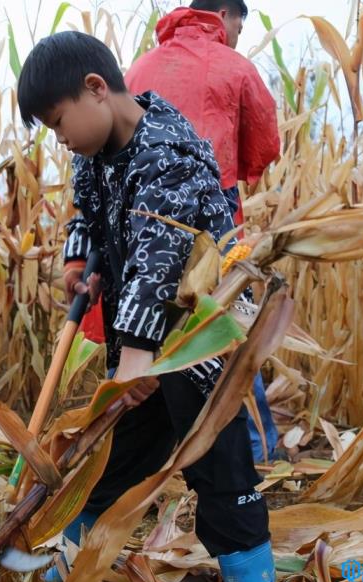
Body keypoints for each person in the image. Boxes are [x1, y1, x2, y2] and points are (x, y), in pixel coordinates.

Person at [17, 30, 276, 582]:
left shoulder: (166, 152)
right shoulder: (100, 149)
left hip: (198, 339)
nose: (60, 140)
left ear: (96, 89)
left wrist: (135, 360)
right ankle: (65, 559)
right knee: (115, 454)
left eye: (59, 123)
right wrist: (79, 257)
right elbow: (88, 206)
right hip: (143, 342)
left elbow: (160, 262)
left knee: (217, 467)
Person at [125, 0, 282, 462]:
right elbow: (265, 144)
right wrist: (237, 171)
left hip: (146, 219)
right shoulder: (234, 66)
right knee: (229, 321)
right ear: (227, 15)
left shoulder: (138, 70)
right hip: (215, 214)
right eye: (239, 25)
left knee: (154, 325)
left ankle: (158, 452)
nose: (237, 34)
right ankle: (255, 448)